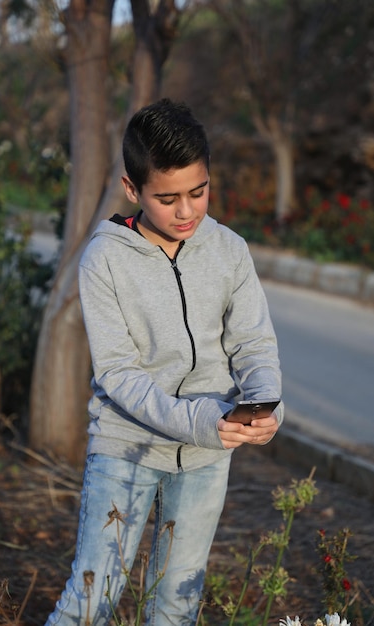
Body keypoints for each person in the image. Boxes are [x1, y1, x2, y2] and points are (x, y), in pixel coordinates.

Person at [45, 98, 283, 626]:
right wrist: (200, 420)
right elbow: (118, 373)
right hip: (125, 447)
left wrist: (265, 406)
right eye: (168, 198)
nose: (186, 211)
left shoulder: (229, 250)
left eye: (198, 192)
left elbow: (253, 345)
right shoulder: (104, 259)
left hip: (205, 458)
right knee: (92, 599)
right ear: (133, 190)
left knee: (176, 603)